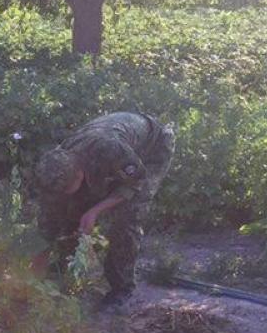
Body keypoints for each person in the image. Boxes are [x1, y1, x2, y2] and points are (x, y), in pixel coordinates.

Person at [32, 112, 175, 307]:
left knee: (127, 216)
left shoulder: (109, 149)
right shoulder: (57, 162)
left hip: (152, 147)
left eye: (66, 189)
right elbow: (46, 224)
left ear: (80, 174)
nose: (62, 194)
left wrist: (95, 211)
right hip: (116, 151)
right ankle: (64, 267)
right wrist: (33, 279)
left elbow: (136, 183)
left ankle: (122, 290)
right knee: (71, 208)